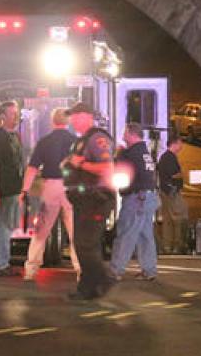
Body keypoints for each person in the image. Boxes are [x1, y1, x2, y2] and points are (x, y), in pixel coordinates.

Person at [62, 102, 115, 300]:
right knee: (81, 244)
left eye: (76, 116)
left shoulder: (98, 138)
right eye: (71, 116)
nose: (72, 120)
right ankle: (87, 288)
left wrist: (81, 163)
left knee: (86, 244)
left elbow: (106, 168)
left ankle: (103, 278)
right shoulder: (81, 141)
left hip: (96, 198)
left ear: (87, 116)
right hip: (83, 199)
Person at [22, 108, 80, 281]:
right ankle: (80, 269)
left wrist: (25, 189)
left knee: (42, 229)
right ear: (68, 121)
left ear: (52, 121)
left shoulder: (45, 142)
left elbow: (32, 168)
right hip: (72, 187)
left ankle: (31, 269)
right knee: (75, 231)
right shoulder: (76, 142)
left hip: (51, 187)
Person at [110, 123, 160, 281]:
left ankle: (115, 270)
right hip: (149, 197)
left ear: (132, 134)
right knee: (145, 235)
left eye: (125, 132)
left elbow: (119, 168)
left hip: (136, 198)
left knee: (126, 233)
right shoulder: (144, 151)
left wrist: (118, 154)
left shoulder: (130, 153)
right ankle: (149, 270)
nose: (123, 135)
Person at [0, 100, 24, 277]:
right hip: (4, 187)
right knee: (4, 225)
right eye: (12, 113)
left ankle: (0, 259)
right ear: (2, 116)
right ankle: (1, 264)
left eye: (16, 112)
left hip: (15, 188)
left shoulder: (16, 135)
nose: (16, 116)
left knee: (9, 225)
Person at [158, 134, 188, 255]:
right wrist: (181, 174)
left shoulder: (165, 157)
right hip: (172, 192)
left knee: (168, 220)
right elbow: (173, 174)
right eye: (180, 143)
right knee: (178, 217)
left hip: (166, 191)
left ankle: (167, 246)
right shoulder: (169, 157)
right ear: (174, 144)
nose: (181, 146)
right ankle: (176, 245)